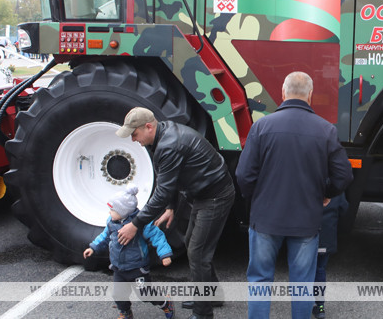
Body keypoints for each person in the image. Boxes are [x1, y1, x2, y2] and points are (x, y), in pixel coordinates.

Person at [236, 71, 353, 319]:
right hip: (306, 221)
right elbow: (344, 176)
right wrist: (326, 194)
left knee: (259, 279)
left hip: (265, 219)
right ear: (310, 95)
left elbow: (244, 176)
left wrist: (256, 200)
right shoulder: (325, 130)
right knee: (302, 283)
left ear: (282, 93)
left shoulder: (261, 127)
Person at [115, 107, 235, 319]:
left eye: (134, 134)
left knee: (198, 253)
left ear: (148, 127)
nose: (133, 140)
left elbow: (161, 192)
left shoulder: (169, 144)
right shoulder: (160, 137)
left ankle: (203, 313)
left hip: (215, 196)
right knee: (192, 244)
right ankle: (210, 295)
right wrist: (171, 207)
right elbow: (166, 179)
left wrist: (135, 225)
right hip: (202, 194)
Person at [84, 185, 175, 319]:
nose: (109, 212)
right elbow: (104, 236)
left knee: (145, 293)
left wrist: (164, 254)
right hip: (119, 268)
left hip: (137, 268)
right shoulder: (111, 222)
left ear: (123, 211)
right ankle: (125, 312)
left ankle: (165, 303)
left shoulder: (140, 222)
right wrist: (93, 247)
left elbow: (157, 236)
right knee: (118, 294)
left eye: (112, 209)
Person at [311, 193, 348, 319]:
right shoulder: (336, 189)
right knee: (320, 270)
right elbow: (344, 208)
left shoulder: (310, 182)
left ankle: (303, 302)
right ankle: (320, 306)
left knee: (304, 271)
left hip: (308, 235)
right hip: (326, 239)